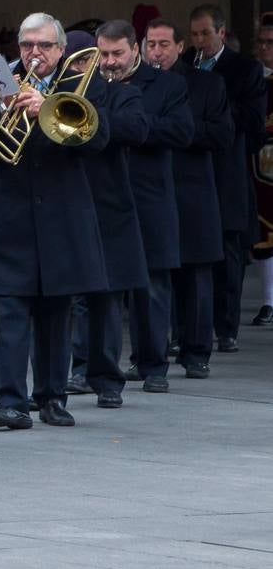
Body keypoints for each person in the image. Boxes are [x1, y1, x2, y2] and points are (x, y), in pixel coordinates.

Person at [0, 13, 110, 431]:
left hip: (62, 214)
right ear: (18, 47)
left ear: (61, 49)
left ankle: (52, 397)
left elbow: (99, 140)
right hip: (12, 214)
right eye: (28, 45)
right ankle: (10, 402)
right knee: (12, 308)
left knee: (56, 310)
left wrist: (47, 108)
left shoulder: (84, 84)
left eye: (45, 46)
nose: (36, 54)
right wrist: (1, 109)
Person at [98, 21, 192, 394]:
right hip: (104, 197)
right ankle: (90, 367)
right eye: (103, 54)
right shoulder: (88, 83)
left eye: (117, 54)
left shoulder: (168, 85)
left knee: (151, 286)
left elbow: (182, 132)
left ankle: (153, 366)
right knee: (99, 289)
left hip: (148, 197)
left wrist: (126, 126)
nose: (109, 62)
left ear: (135, 50)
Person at [62, 32, 149, 409]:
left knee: (108, 298)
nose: (76, 68)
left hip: (109, 208)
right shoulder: (54, 96)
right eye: (71, 60)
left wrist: (90, 108)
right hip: (70, 205)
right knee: (78, 296)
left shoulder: (121, 94)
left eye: (82, 60)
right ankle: (80, 368)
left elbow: (137, 129)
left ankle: (107, 377)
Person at [146, 18, 230, 380]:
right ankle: (148, 354)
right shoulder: (138, 84)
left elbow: (222, 134)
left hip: (192, 191)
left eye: (164, 44)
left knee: (196, 277)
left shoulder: (208, 84)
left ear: (181, 47)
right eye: (151, 44)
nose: (157, 51)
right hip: (151, 191)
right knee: (151, 279)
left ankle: (196, 353)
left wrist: (173, 128)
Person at [185, 4, 267, 353]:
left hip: (227, 171)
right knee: (191, 257)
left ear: (221, 32)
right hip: (190, 171)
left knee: (228, 255)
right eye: (195, 34)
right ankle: (187, 328)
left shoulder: (245, 69)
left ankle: (226, 327)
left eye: (206, 33)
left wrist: (212, 103)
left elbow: (253, 122)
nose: (200, 40)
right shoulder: (185, 64)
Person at [252, 20, 273, 328]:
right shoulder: (254, 77)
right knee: (265, 232)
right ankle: (269, 300)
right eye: (262, 41)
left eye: (271, 41)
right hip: (262, 163)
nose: (265, 47)